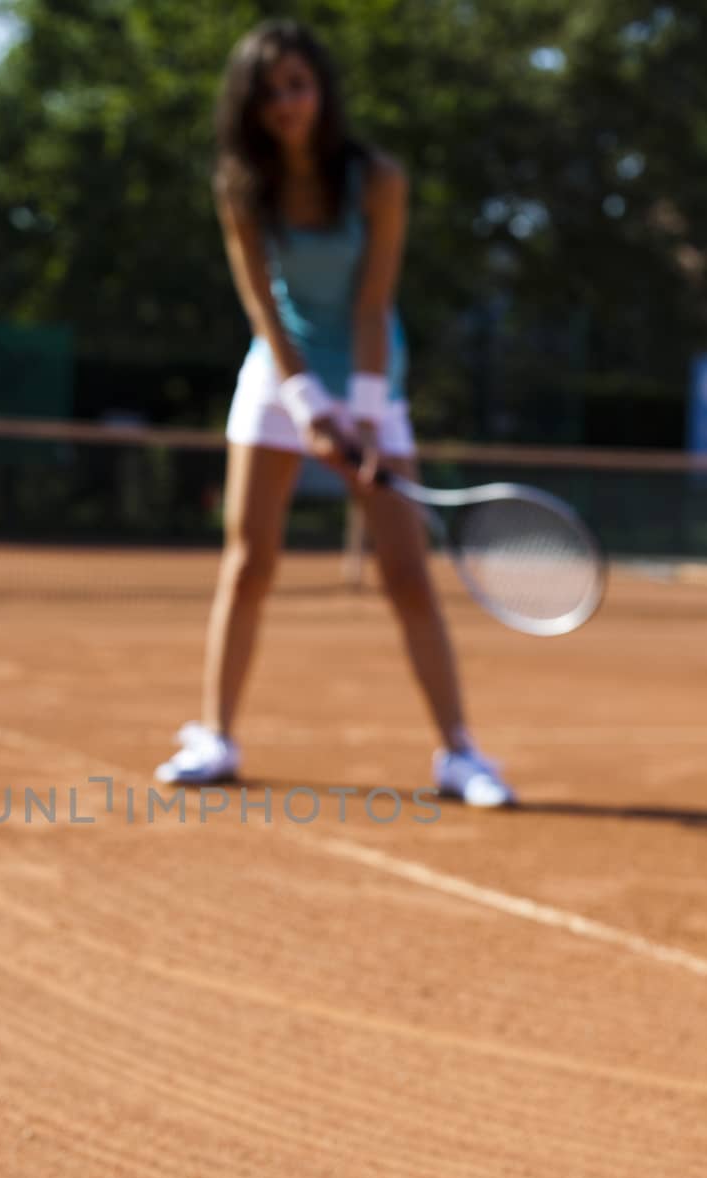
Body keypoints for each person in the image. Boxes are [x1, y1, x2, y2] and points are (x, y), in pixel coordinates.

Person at [155, 18, 514, 808]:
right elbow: (263, 307)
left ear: (321, 91)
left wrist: (359, 413)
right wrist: (306, 405)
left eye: (298, 85)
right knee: (248, 561)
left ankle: (457, 752)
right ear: (248, 106)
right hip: (279, 374)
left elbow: (373, 303)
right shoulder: (239, 185)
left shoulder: (378, 179)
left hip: (368, 374)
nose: (286, 103)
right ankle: (216, 735)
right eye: (269, 91)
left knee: (406, 573)